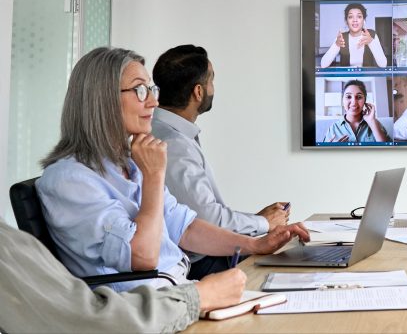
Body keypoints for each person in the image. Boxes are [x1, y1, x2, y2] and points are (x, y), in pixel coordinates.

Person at [36, 47, 310, 293]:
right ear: (103, 99)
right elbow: (143, 257)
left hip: (178, 292)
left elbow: (185, 227)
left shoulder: (128, 165)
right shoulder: (69, 180)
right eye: (140, 90)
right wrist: (154, 176)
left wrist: (255, 245)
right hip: (145, 309)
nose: (153, 103)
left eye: (151, 90)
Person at [151, 44, 292, 280]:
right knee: (285, 265)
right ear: (198, 92)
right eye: (211, 81)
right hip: (200, 264)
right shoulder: (174, 145)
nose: (213, 88)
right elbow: (206, 219)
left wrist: (256, 222)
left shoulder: (166, 132)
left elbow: (201, 212)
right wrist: (263, 223)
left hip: (202, 255)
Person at [0, 220, 245, 332]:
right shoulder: (71, 181)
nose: (154, 111)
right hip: (149, 307)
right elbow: (90, 319)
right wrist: (198, 297)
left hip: (166, 301)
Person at [320, 3, 388, 68]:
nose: (355, 20)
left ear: (364, 20)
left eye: (359, 16)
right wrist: (336, 45)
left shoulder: (372, 34)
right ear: (346, 21)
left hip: (368, 79)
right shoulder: (341, 38)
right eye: (350, 17)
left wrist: (371, 42)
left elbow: (383, 64)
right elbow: (323, 64)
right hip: (347, 80)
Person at [323, 79, 390, 143]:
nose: (354, 102)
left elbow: (387, 151)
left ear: (365, 100)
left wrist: (372, 122)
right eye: (348, 97)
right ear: (342, 100)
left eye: (359, 97)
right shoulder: (333, 129)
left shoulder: (375, 123)